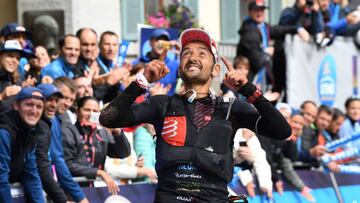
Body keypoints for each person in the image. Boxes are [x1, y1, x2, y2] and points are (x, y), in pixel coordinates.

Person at [99, 28, 291, 202]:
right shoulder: (162, 105)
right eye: (186, 53)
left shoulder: (232, 108)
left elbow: (282, 130)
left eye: (202, 53)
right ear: (180, 68)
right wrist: (142, 82)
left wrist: (249, 90)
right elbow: (108, 118)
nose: (192, 57)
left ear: (216, 69)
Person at [62, 96, 131, 195]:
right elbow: (68, 164)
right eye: (86, 110)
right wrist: (99, 173)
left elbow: (122, 153)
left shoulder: (102, 133)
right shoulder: (69, 131)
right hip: (72, 189)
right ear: (77, 112)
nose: (90, 114)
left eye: (95, 111)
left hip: (94, 190)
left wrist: (117, 132)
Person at [35, 83, 89, 203]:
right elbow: (55, 161)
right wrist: (78, 197)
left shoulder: (55, 120)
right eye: (64, 98)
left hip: (49, 186)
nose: (67, 103)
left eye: (71, 100)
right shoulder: (49, 122)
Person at [236, 0, 310, 84]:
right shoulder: (249, 32)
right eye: (256, 10)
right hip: (249, 80)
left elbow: (279, 30)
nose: (260, 13)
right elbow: (258, 62)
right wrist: (267, 53)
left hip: (260, 78)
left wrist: (297, 29)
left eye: (262, 10)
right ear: (250, 12)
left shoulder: (262, 26)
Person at [0, 87, 45, 202]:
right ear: (16, 106)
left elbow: (31, 174)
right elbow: (0, 178)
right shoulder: (4, 133)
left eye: (39, 106)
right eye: (29, 104)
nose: (34, 111)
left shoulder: (30, 132)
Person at [133, 28, 180, 95]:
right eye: (158, 40)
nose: (161, 44)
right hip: (143, 104)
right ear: (150, 42)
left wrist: (182, 53)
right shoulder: (137, 63)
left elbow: (191, 76)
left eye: (165, 41)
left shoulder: (175, 64)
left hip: (167, 104)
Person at [0, 40, 26, 112]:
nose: (15, 61)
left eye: (18, 58)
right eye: (10, 56)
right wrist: (2, 96)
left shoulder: (19, 79)